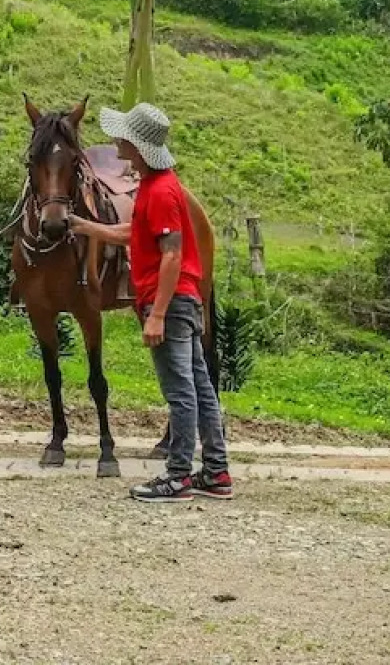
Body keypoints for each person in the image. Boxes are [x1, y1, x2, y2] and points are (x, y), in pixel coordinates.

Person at [68, 103, 232, 502]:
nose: (116, 140)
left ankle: (178, 476)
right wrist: (90, 227)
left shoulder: (159, 192)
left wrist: (156, 313)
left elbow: (171, 254)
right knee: (201, 387)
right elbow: (136, 234)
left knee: (180, 391)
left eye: (122, 135)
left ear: (136, 145)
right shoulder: (159, 185)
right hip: (182, 300)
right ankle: (216, 472)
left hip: (170, 302)